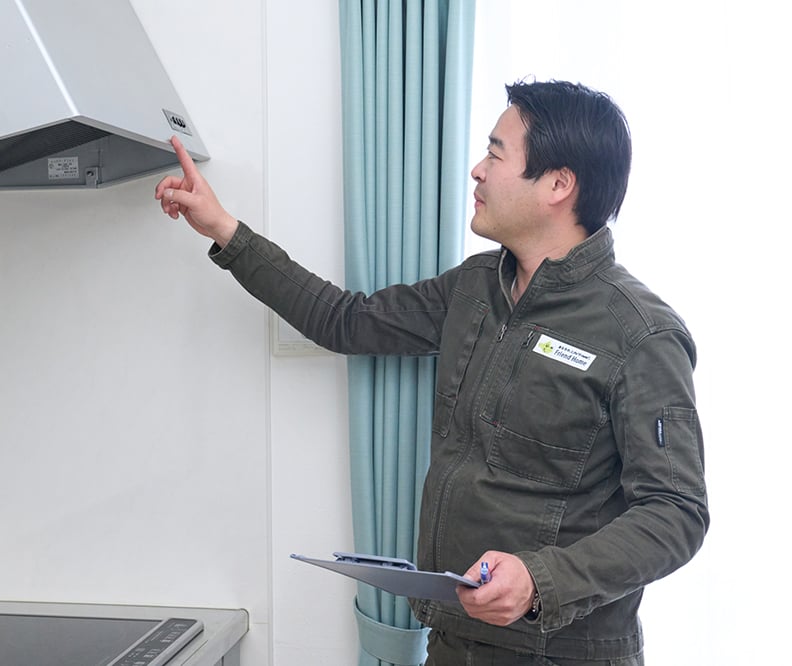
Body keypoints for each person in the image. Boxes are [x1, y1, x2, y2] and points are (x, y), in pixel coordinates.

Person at [154, 80, 708, 665]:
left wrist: (540, 580)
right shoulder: (474, 287)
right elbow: (347, 321)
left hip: (563, 653)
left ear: (557, 184)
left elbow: (676, 512)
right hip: (451, 642)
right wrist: (225, 229)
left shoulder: (641, 334)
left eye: (495, 154)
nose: (477, 170)